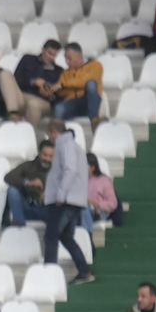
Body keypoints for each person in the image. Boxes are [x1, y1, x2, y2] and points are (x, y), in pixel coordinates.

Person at [44, 119, 93, 286]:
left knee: (51, 236)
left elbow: (70, 170)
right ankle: (84, 270)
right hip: (73, 199)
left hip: (66, 200)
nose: (49, 138)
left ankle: (49, 274)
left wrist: (60, 195)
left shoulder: (65, 145)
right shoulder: (71, 145)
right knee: (66, 237)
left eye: (49, 134)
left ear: (53, 132)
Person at [15, 39, 63, 128]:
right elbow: (16, 80)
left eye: (54, 55)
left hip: (43, 101)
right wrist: (33, 82)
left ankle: (29, 134)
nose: (51, 57)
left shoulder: (58, 71)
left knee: (33, 105)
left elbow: (60, 97)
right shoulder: (27, 59)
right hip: (22, 95)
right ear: (43, 50)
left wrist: (50, 95)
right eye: (49, 53)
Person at [4, 140, 53, 226]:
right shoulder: (28, 166)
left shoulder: (58, 171)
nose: (47, 159)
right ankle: (18, 225)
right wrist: (27, 183)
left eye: (51, 156)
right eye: (45, 155)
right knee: (12, 190)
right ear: (39, 153)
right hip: (27, 207)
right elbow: (8, 177)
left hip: (47, 210)